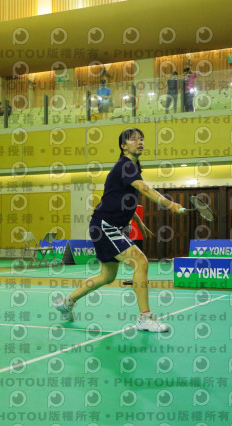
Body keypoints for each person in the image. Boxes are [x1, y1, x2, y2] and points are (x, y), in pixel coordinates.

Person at [53, 128, 184, 332]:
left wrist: (138, 221)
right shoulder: (125, 166)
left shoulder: (130, 168)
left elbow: (120, 199)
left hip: (103, 225)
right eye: (134, 139)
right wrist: (170, 204)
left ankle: (67, 303)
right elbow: (144, 189)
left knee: (107, 276)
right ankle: (145, 317)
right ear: (123, 146)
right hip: (105, 226)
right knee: (141, 262)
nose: (140, 142)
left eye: (141, 139)